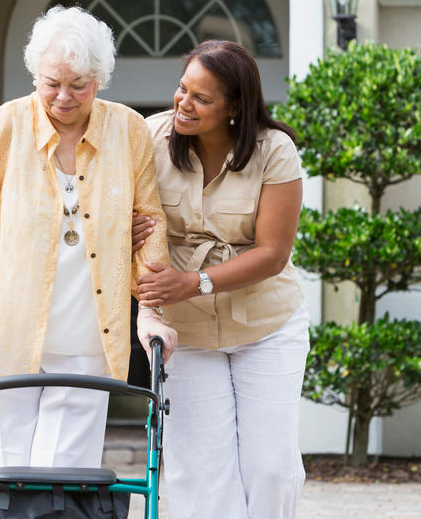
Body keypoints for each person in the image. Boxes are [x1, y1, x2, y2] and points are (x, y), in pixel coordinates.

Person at [0, 5, 177, 516]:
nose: (64, 97)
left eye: (79, 85)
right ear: (34, 74)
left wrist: (152, 313)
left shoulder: (128, 131)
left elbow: (149, 226)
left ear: (100, 80)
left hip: (90, 340)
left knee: (62, 489)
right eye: (52, 84)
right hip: (7, 336)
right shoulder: (2, 128)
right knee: (1, 483)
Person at [133, 39, 308, 519]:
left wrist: (193, 283)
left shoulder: (275, 151)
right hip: (184, 332)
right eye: (182, 88)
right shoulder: (150, 138)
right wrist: (122, 225)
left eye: (202, 98)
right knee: (200, 470)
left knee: (271, 468)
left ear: (235, 106)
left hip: (266, 327)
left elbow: (273, 254)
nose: (183, 104)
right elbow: (118, 211)